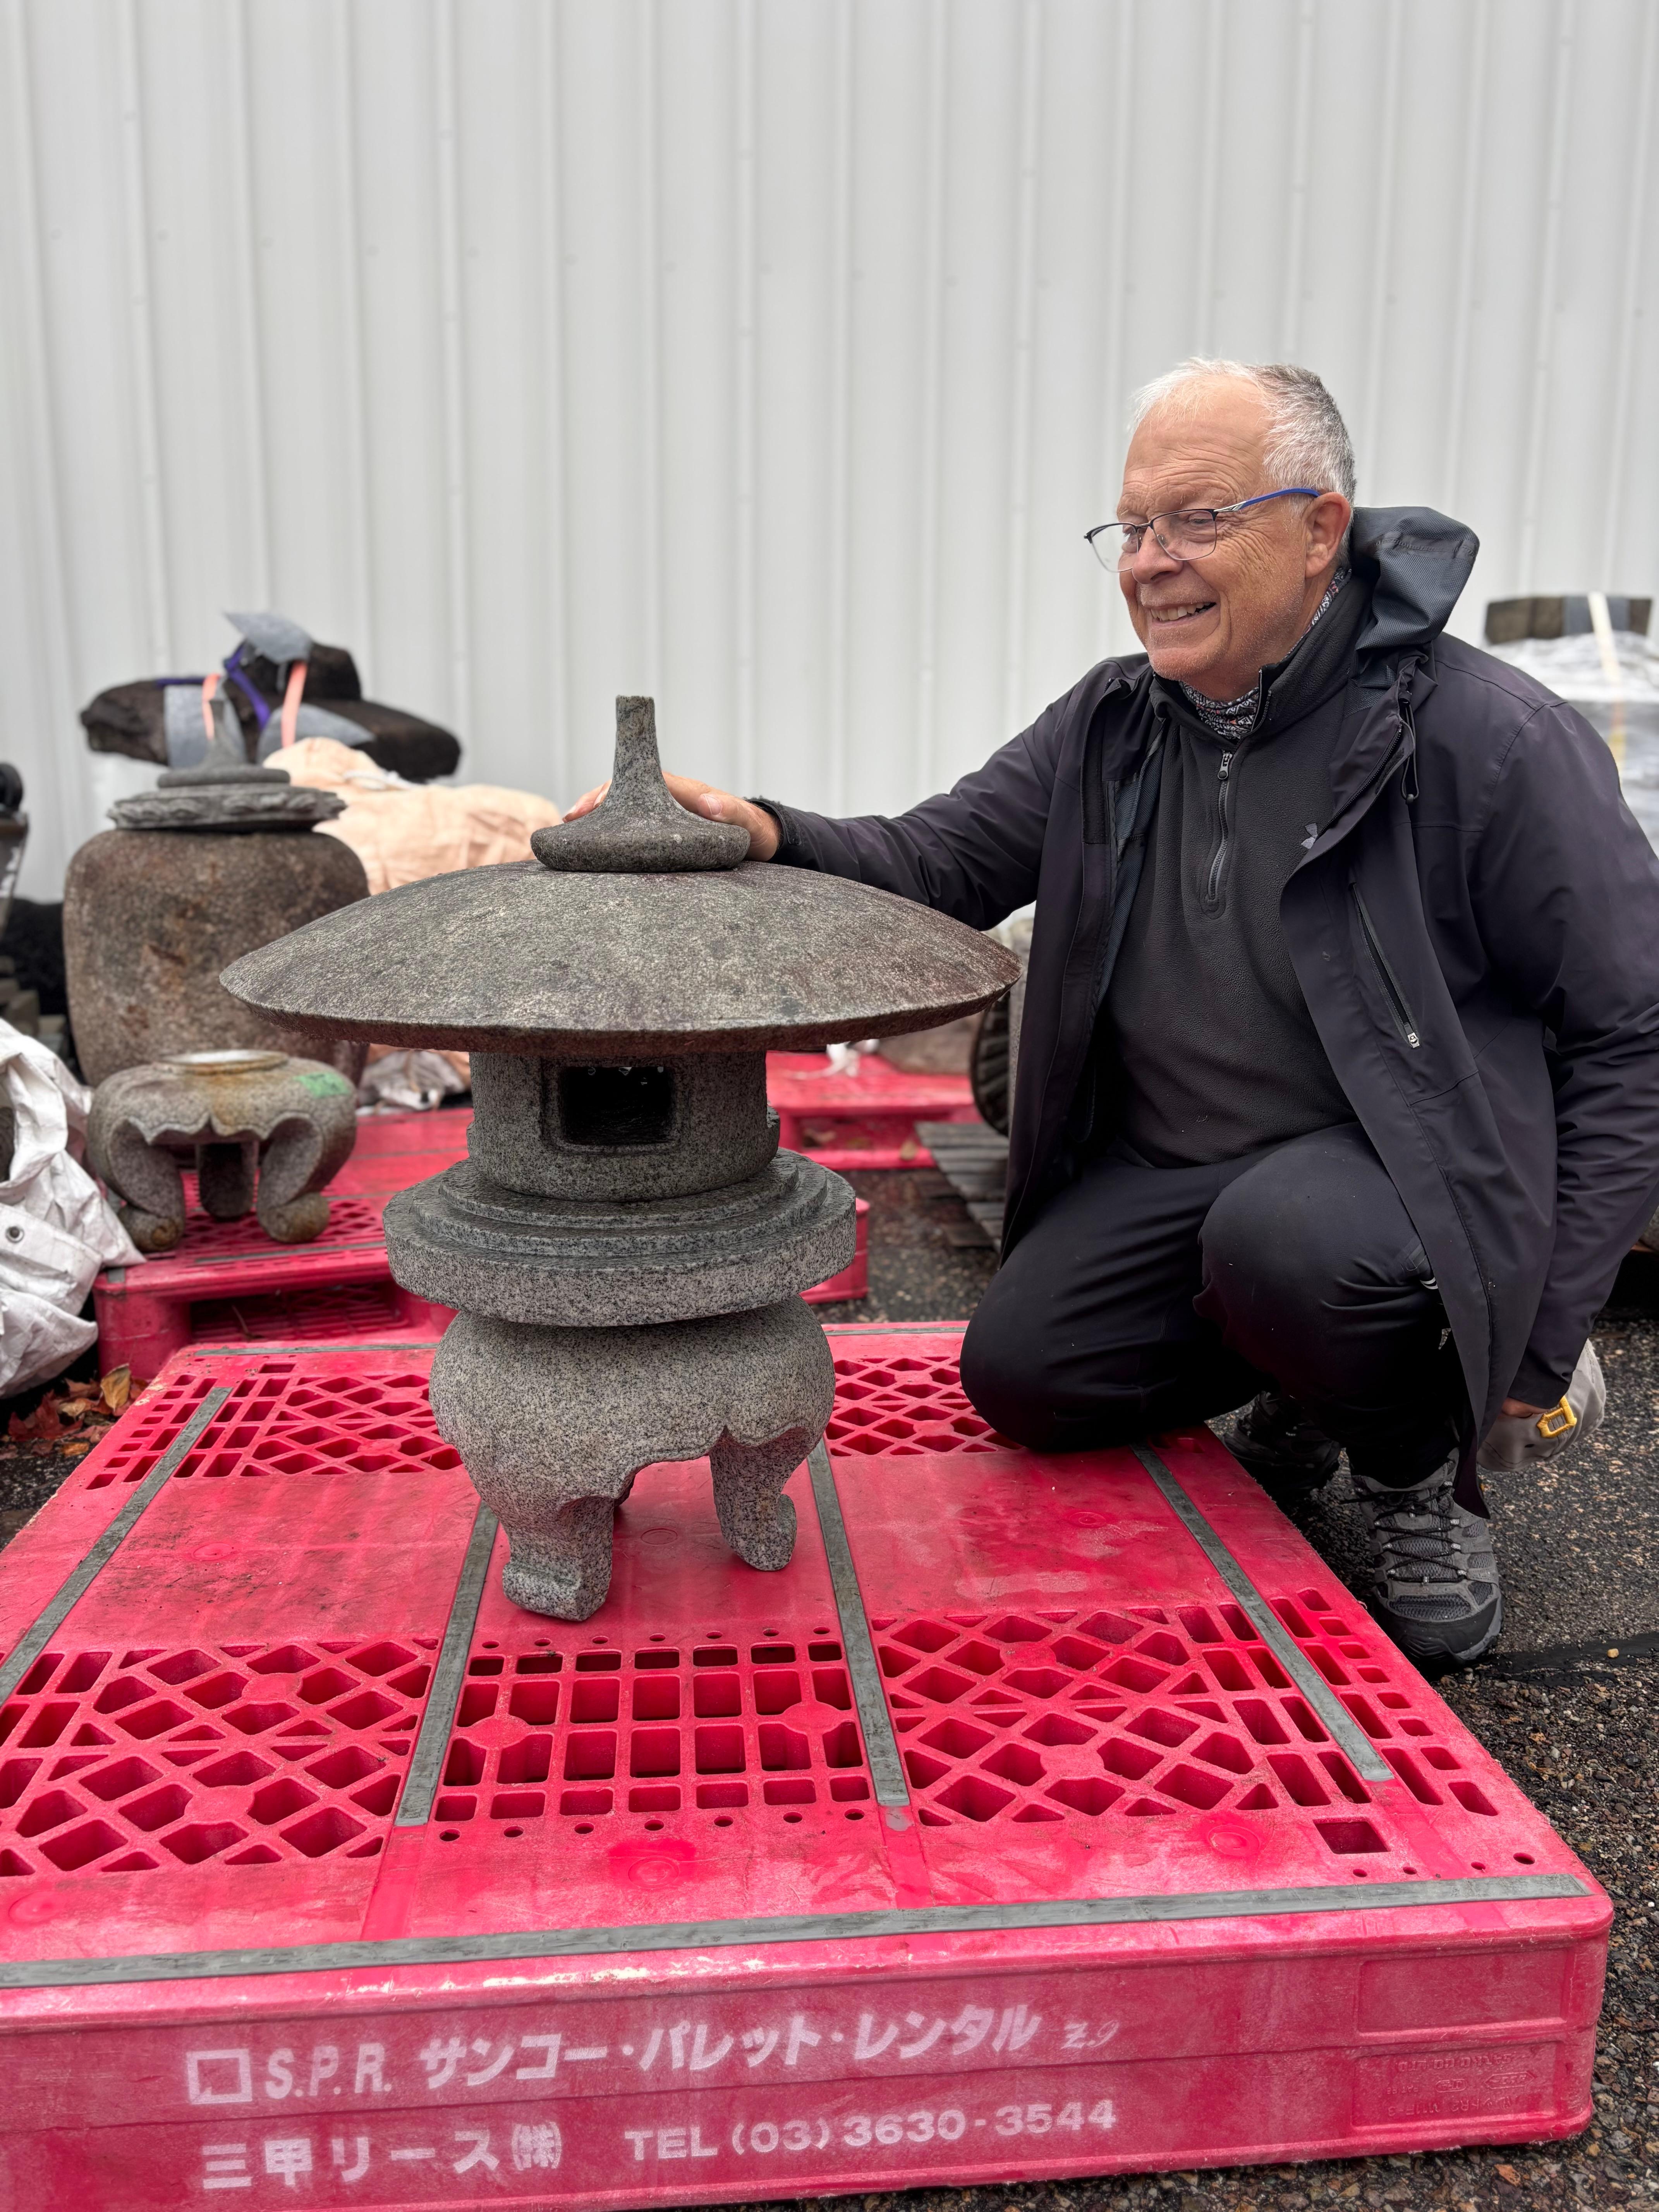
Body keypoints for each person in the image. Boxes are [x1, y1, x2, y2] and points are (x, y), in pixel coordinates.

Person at [567, 359, 1659, 1668]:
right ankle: (1316, 1380)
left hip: (1396, 1184)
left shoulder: (1484, 738)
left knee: (1295, 1245)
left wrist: (1542, 1337)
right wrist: (762, 829)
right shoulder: (1116, 723)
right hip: (1187, 1178)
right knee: (1027, 1377)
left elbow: (1629, 1029)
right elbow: (939, 860)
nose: (1150, 561)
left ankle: (1418, 1463)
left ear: (1320, 531)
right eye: (1132, 527)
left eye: (1198, 518)